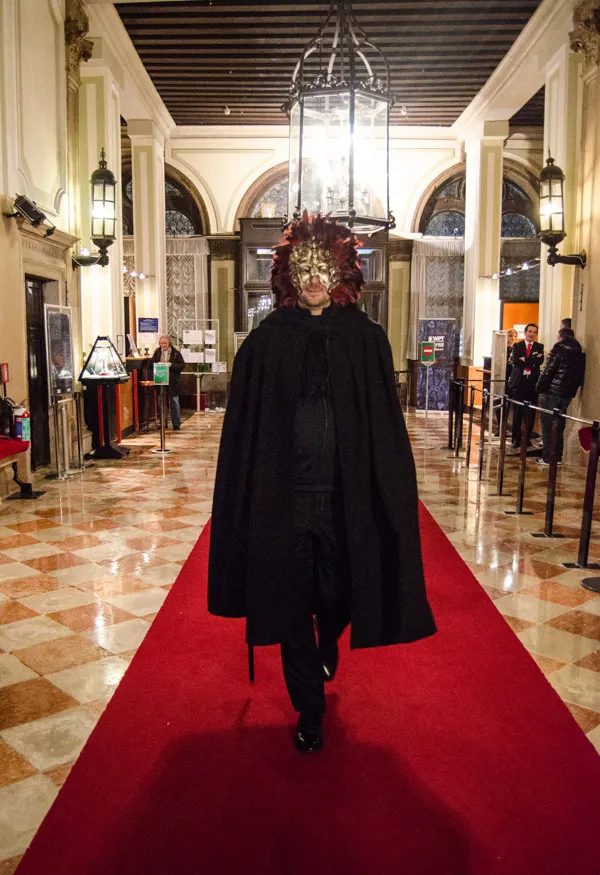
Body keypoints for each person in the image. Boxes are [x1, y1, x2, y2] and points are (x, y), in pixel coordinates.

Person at [208, 214, 436, 754]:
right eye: (305, 268)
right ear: (288, 273)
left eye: (324, 268)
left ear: (341, 272)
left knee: (335, 592)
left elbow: (384, 425)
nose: (314, 279)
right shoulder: (265, 345)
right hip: (283, 503)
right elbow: (244, 433)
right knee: (289, 606)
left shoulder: (364, 339)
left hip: (342, 499)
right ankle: (308, 709)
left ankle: (330, 633)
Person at [536, 327, 585, 466]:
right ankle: (558, 457)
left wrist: (539, 388)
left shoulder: (559, 348)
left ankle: (547, 457)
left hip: (551, 392)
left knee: (547, 425)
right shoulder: (578, 351)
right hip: (566, 394)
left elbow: (548, 370)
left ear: (560, 336)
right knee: (560, 425)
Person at [508, 323, 544, 449]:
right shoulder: (518, 346)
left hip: (532, 383)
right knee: (518, 412)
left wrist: (526, 360)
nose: (532, 334)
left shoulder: (539, 347)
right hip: (519, 382)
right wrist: (531, 361)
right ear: (525, 332)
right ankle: (516, 439)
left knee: (531, 412)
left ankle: (527, 437)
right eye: (529, 331)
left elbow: (539, 361)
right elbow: (516, 362)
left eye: (534, 332)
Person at [152, 335, 185, 430]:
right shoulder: (157, 352)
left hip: (173, 381)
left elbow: (182, 365)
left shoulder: (175, 353)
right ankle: (163, 423)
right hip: (161, 380)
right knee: (161, 402)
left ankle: (176, 424)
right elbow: (151, 364)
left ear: (169, 343)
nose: (163, 345)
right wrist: (157, 364)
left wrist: (171, 365)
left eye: (165, 343)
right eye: (161, 343)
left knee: (175, 402)